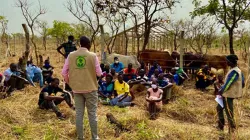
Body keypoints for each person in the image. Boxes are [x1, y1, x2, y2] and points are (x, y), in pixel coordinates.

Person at [62, 36, 102, 140]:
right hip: (91, 89)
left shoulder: (71, 55)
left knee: (79, 114)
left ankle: (80, 137)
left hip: (77, 89)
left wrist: (70, 83)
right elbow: (99, 73)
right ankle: (95, 137)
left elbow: (63, 72)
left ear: (80, 44)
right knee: (92, 114)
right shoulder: (93, 56)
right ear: (89, 45)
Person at [217, 55, 244, 134]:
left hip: (228, 95)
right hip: (227, 93)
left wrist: (221, 91)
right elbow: (243, 83)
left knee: (229, 112)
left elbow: (228, 83)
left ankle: (232, 129)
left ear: (231, 62)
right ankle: (221, 125)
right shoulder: (236, 70)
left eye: (227, 61)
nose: (226, 62)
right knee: (219, 108)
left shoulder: (234, 71)